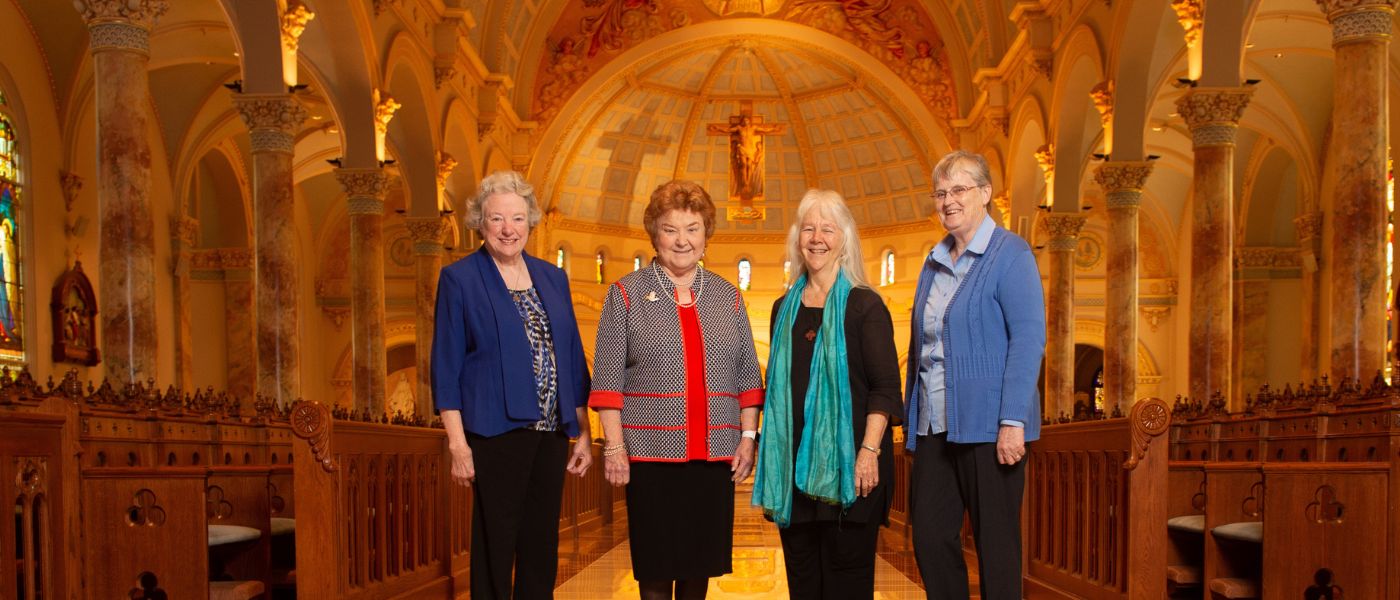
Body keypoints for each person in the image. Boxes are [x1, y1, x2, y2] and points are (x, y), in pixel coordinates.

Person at [589, 179, 764, 600]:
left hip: (714, 457)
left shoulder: (728, 297)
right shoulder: (624, 295)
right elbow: (608, 381)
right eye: (671, 229)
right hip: (650, 458)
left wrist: (748, 439)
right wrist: (614, 448)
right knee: (655, 570)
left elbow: (747, 377)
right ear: (655, 235)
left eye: (693, 229)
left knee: (697, 571)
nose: (682, 240)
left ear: (706, 237)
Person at [431, 170, 593, 600]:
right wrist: (458, 445)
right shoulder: (460, 278)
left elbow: (572, 358)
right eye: (497, 219)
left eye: (518, 219)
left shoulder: (552, 277)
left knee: (541, 543)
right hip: (494, 432)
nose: (508, 229)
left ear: (530, 222)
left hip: (551, 433)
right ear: (480, 223)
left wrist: (582, 431)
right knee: (496, 544)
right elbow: (445, 367)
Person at [906, 150, 1046, 600]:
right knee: (929, 537)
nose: (948, 201)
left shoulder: (1011, 254)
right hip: (935, 426)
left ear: (985, 193)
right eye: (941, 193)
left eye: (959, 190)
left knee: (996, 545)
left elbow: (1027, 340)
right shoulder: (933, 262)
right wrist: (912, 424)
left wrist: (1013, 421)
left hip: (989, 428)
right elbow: (921, 350)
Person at [752, 189, 902, 598]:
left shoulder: (864, 305)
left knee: (846, 586)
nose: (817, 238)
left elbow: (886, 389)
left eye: (827, 229)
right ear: (797, 236)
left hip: (851, 471)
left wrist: (868, 453)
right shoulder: (783, 308)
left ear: (844, 239)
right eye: (809, 228)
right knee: (803, 586)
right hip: (793, 475)